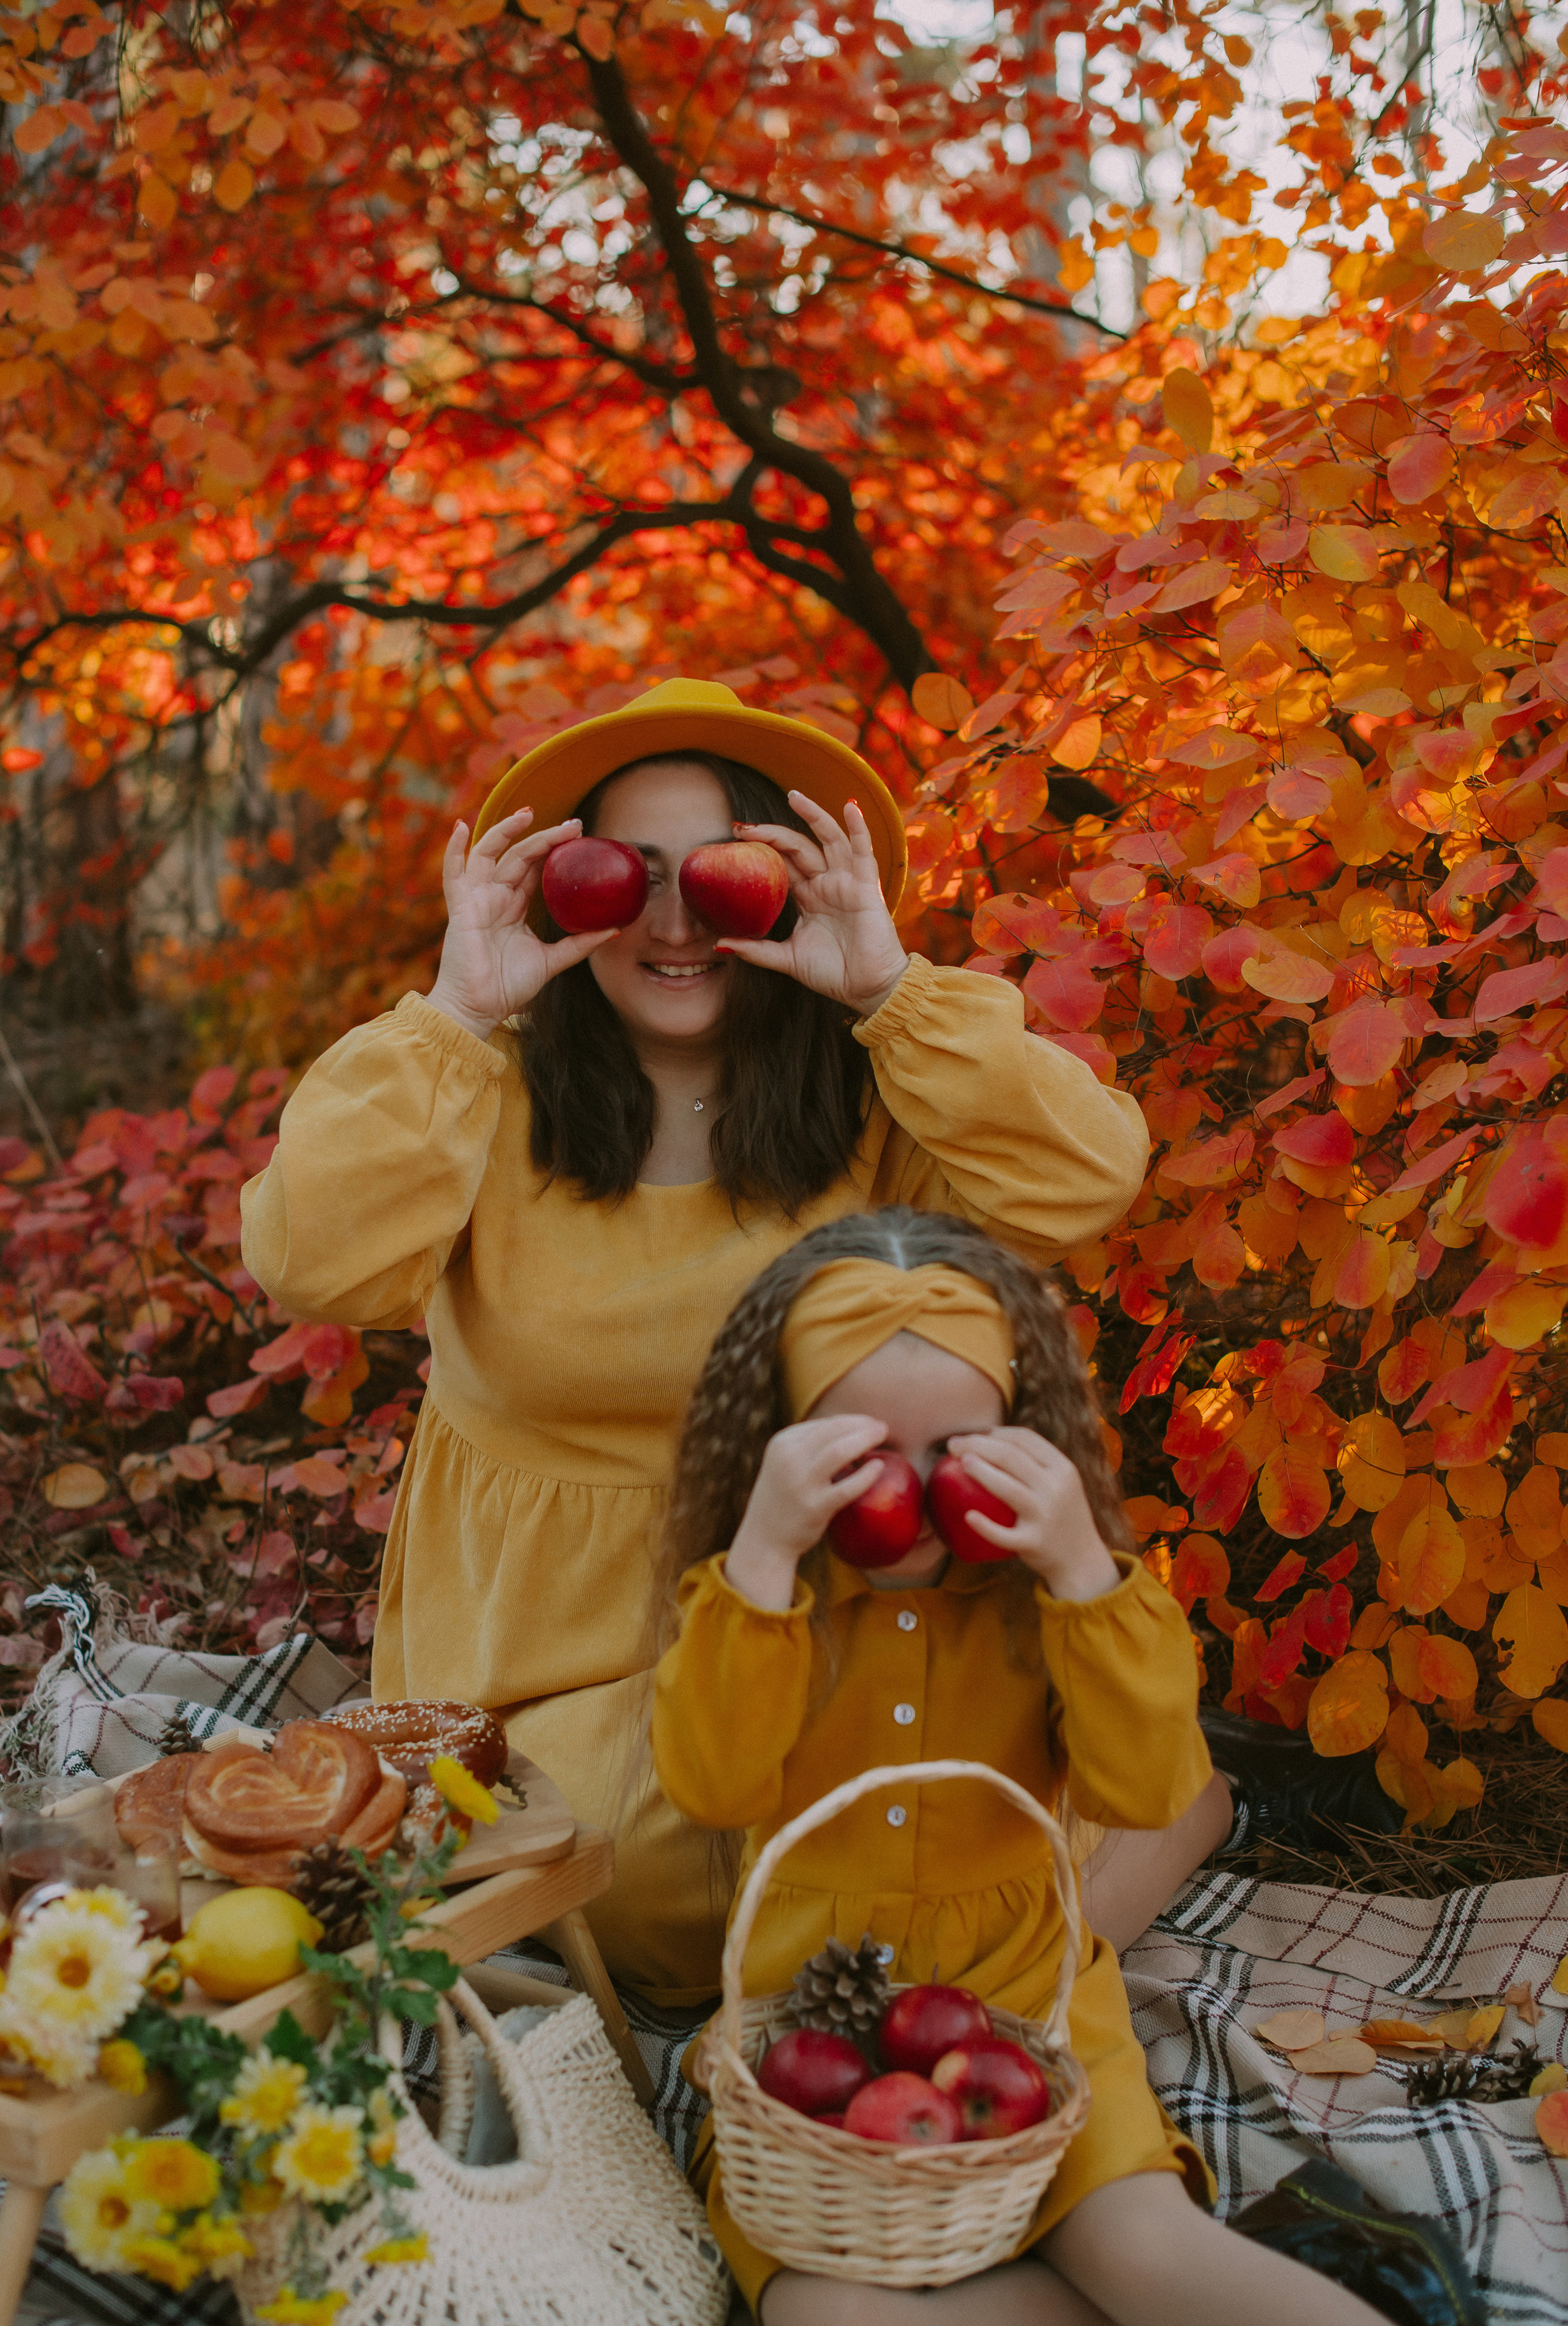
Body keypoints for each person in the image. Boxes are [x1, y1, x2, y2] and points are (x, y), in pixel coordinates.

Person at [239, 675, 1379, 2005]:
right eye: (626, 876)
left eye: (721, 874)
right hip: (545, 1656)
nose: (674, 922)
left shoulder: (877, 1090)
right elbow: (308, 1261)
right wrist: (456, 1008)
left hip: (830, 1599)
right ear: (566, 892)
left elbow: (1084, 1181)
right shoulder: (474, 1091)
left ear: (785, 888)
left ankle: (1154, 1820)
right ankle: (1094, 1868)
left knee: (888, 1827)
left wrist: (887, 984)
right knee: (674, 1867)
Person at [649, 1208, 1384, 2326]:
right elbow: (711, 1782)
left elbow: (1141, 1789)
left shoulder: (1049, 1595)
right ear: (784, 1443)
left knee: (1145, 2250)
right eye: (861, 1451)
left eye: (960, 1447)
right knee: (825, 2311)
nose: (923, 1485)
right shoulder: (763, 1603)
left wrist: (1083, 1568)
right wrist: (762, 1553)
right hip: (813, 2033)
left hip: (1030, 2021)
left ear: (1020, 1429)